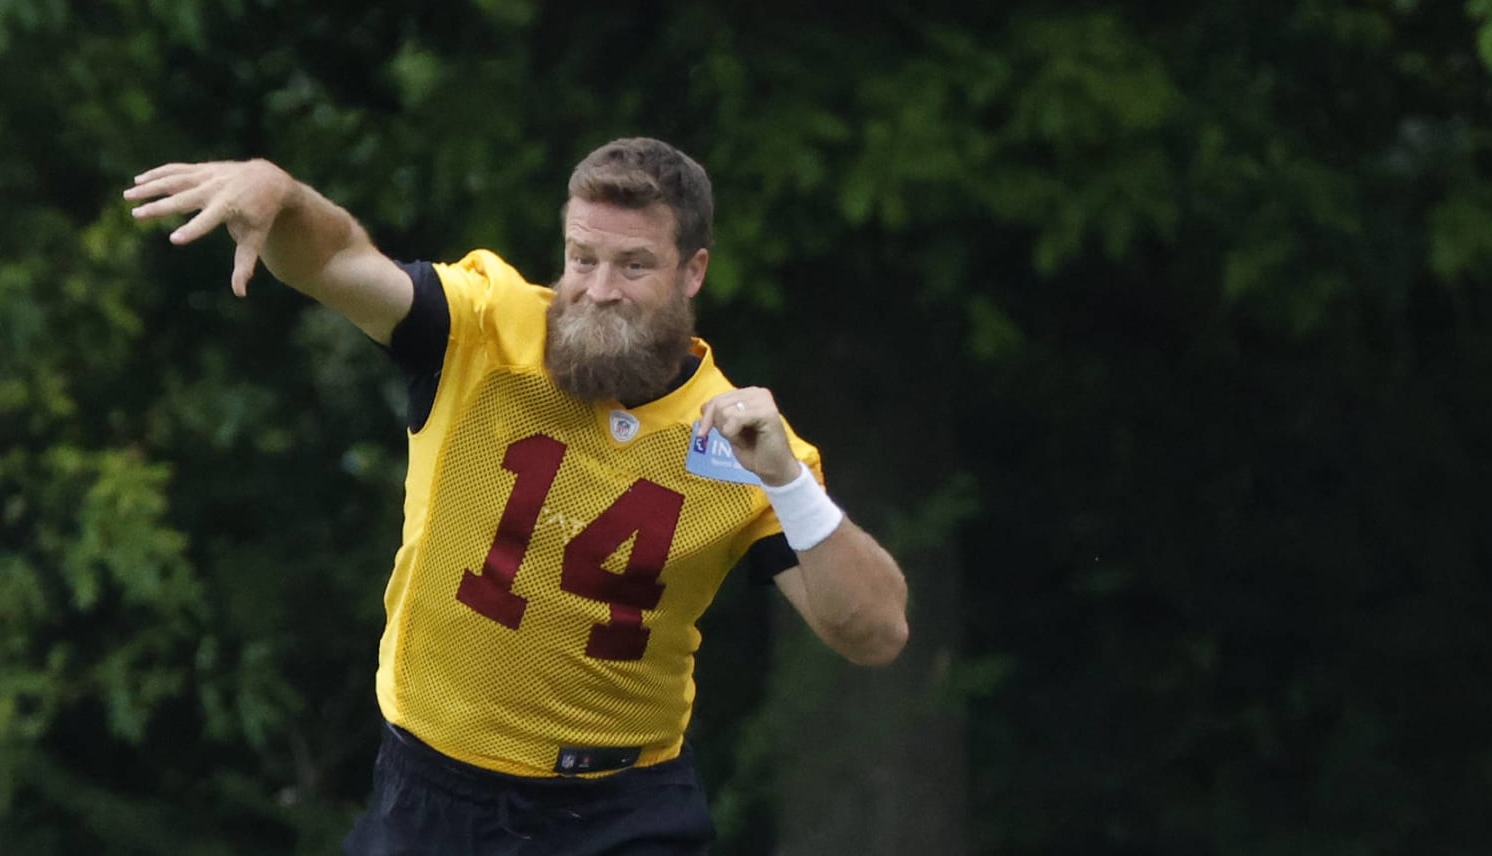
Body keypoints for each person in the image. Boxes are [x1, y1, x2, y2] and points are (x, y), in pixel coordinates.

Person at [125, 137, 909, 855]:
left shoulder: (739, 442)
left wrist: (789, 482)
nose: (599, 290)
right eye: (581, 258)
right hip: (436, 789)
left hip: (622, 810)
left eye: (633, 266)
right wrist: (282, 192)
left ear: (692, 272)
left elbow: (876, 633)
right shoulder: (484, 326)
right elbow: (336, 262)